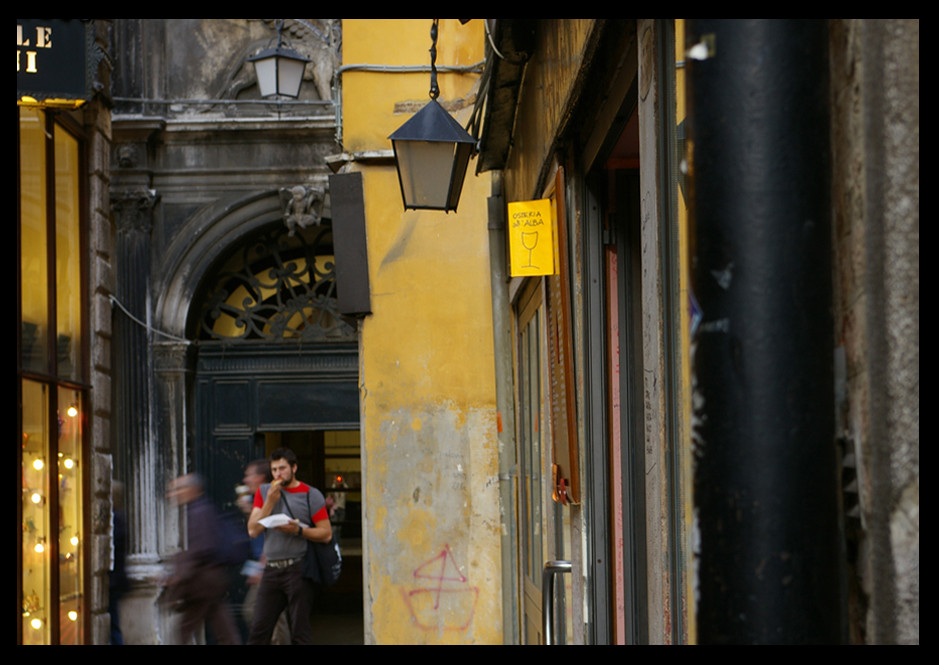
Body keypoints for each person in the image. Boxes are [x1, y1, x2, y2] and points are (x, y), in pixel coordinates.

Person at [246, 448, 331, 645]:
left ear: (294, 468)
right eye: (274, 469)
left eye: (282, 468)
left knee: (300, 631)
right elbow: (253, 530)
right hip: (272, 570)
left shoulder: (311, 494)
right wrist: (269, 503)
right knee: (259, 631)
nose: (278, 474)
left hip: (298, 569)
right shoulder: (264, 492)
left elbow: (326, 533)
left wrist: (298, 531)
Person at [165, 473, 242, 645]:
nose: (173, 494)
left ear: (193, 489)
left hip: (202, 583)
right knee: (223, 628)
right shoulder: (201, 509)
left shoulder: (198, 511)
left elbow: (201, 548)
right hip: (212, 581)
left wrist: (178, 574)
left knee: (185, 629)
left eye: (178, 489)